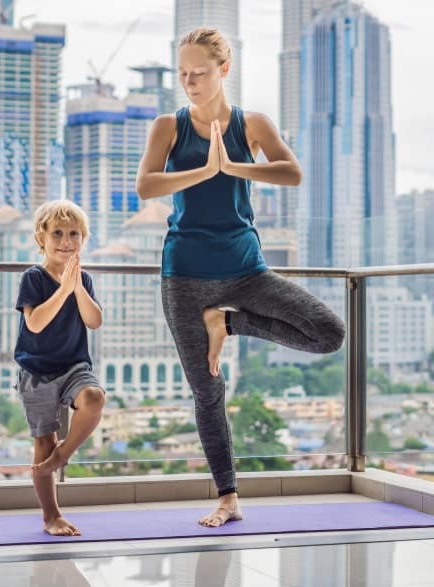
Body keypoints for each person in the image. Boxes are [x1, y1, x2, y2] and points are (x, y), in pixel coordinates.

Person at [135, 27, 346, 528]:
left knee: (329, 332)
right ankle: (228, 497)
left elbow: (291, 173)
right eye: (183, 73)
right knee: (207, 391)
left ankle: (225, 325)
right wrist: (204, 172)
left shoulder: (252, 123)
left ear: (224, 70)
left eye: (200, 73)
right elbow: (145, 186)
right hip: (184, 274)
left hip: (247, 270)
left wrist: (232, 166)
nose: (190, 82)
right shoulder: (169, 125)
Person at [13, 199, 105, 536]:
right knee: (43, 443)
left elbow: (93, 321)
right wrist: (63, 288)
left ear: (83, 239)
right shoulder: (33, 278)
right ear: (42, 239)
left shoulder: (84, 279)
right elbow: (35, 323)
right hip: (36, 371)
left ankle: (63, 455)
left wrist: (76, 287)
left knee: (94, 397)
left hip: (73, 365)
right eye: (57, 234)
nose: (66, 241)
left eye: (73, 234)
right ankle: (51, 516)